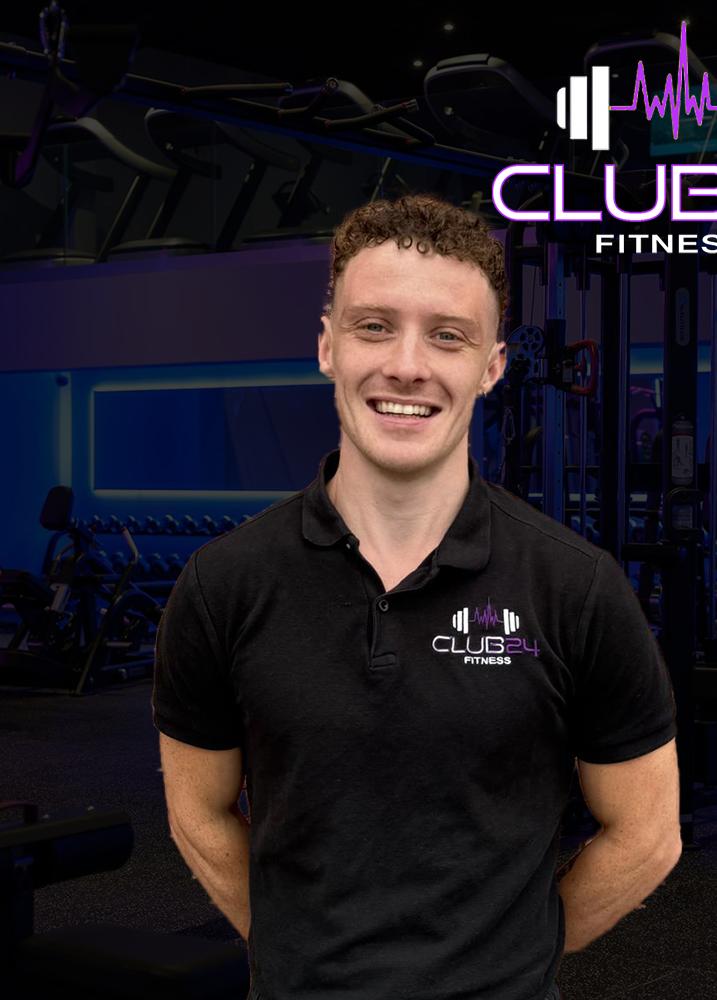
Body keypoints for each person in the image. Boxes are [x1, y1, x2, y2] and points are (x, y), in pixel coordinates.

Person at [153, 195, 680, 1000]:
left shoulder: (575, 586)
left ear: (492, 366)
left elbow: (647, 835)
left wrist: (509, 963)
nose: (407, 364)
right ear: (327, 347)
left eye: (447, 335)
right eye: (373, 326)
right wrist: (296, 951)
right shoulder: (224, 582)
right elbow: (198, 813)